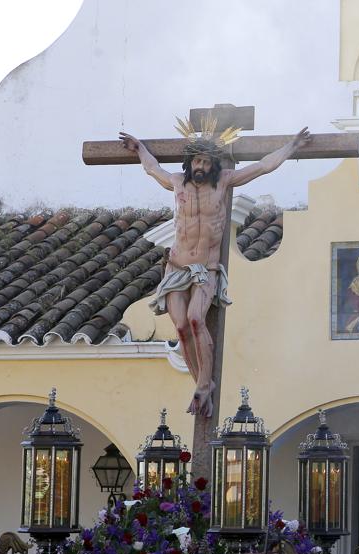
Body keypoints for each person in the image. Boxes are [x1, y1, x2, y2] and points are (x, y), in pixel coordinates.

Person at [120, 122, 311, 417]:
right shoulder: (176, 182)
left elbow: (262, 166)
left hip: (205, 269)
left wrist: (291, 147)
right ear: (190, 162)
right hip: (175, 267)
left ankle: (205, 384)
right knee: (181, 328)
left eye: (206, 161)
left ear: (213, 164)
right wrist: (140, 148)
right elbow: (151, 168)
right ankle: (201, 385)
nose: (201, 166)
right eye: (197, 160)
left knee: (197, 319)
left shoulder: (223, 182)